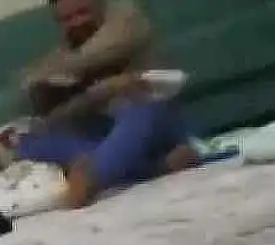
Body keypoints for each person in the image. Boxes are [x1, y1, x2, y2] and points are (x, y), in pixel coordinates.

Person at [17, 0, 198, 208]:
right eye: (66, 19)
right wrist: (102, 90)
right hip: (105, 133)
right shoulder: (66, 51)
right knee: (31, 139)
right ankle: (158, 167)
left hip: (152, 124)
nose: (76, 23)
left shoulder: (128, 21)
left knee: (141, 108)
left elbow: (98, 54)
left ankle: (92, 177)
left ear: (98, 6)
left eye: (82, 13)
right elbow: (39, 97)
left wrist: (51, 73)